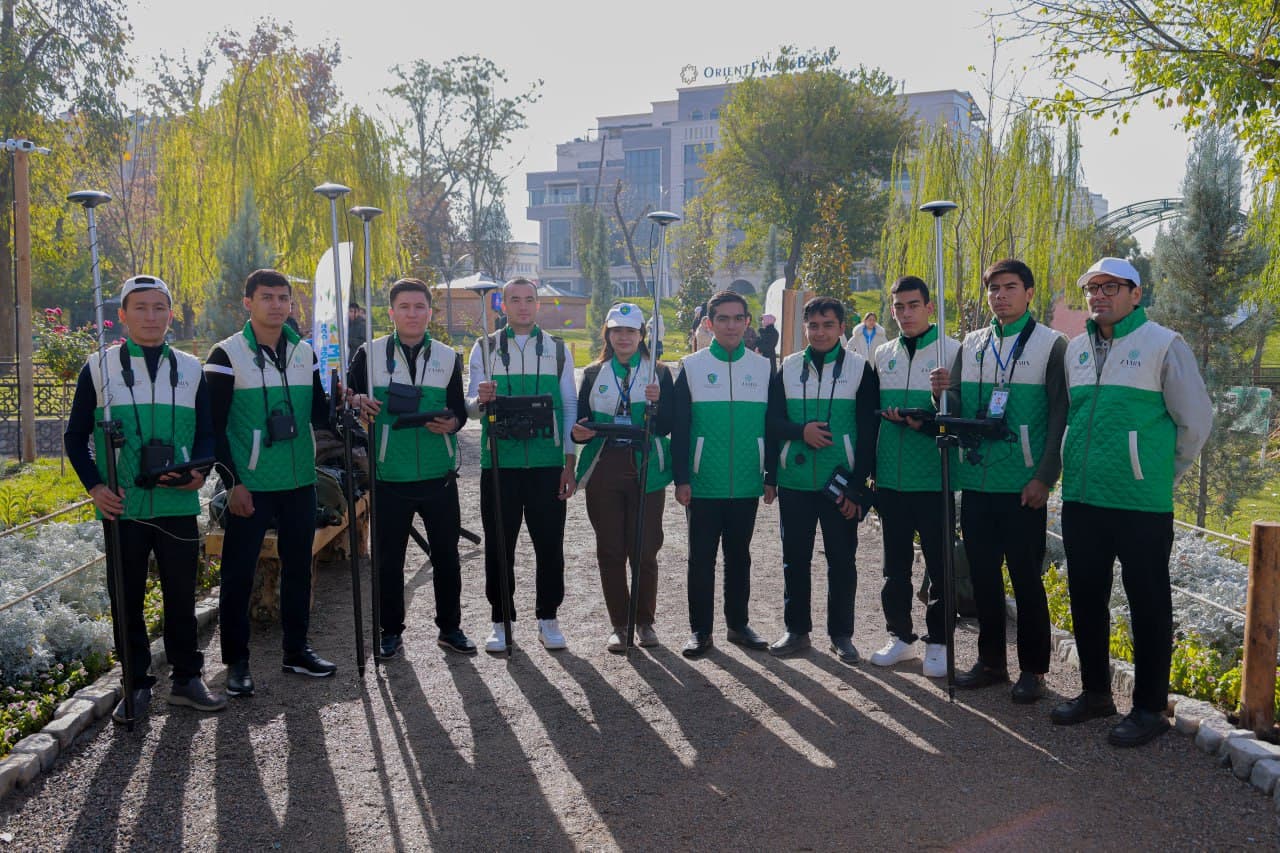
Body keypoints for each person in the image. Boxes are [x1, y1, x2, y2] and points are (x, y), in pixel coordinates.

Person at [1052, 257, 1211, 747]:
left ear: (1136, 293)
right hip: (1082, 499)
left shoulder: (1163, 344)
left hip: (1140, 503)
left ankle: (1148, 709)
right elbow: (1075, 420)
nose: (1098, 295)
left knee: (1148, 605)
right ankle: (1096, 693)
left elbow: (1195, 422)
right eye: (1091, 288)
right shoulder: (1075, 350)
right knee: (1086, 597)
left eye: (1111, 287)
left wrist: (1158, 473)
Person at [64, 275, 226, 722]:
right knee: (127, 598)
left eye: (159, 308)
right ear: (122, 315)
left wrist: (199, 473)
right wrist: (96, 487)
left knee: (180, 597)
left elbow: (208, 434)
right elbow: (76, 437)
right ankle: (134, 684)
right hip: (123, 506)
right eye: (140, 308)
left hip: (177, 504)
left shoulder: (192, 369)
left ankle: (187, 680)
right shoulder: (98, 368)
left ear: (170, 315)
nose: (150, 316)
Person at [929, 259, 1066, 703]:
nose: (1000, 296)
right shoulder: (972, 343)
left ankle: (1034, 670)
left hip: (1022, 484)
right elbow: (958, 405)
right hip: (977, 481)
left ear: (1029, 293)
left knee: (1026, 579)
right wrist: (941, 392)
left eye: (1010, 287)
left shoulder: (1050, 344)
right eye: (993, 289)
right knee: (984, 576)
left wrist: (1044, 475)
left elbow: (1061, 415)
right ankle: (991, 661)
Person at [205, 269, 339, 697]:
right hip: (251, 486)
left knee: (298, 569)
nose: (277, 305)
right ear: (248, 302)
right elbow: (213, 429)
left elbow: (320, 416)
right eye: (267, 297)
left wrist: (347, 402)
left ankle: (296, 651)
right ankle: (237, 663)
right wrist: (233, 484)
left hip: (300, 481)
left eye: (283, 298)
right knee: (238, 575)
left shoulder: (305, 353)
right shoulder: (226, 356)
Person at [347, 278, 473, 658]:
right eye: (405, 307)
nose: (413, 314)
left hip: (438, 474)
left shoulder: (448, 357)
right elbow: (350, 403)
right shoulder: (368, 355)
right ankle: (390, 631)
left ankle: (450, 629)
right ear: (392, 313)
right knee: (389, 561)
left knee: (447, 558)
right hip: (389, 475)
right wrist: (357, 403)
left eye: (420, 307)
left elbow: (459, 410)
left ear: (429, 312)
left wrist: (452, 423)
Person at [467, 277, 578, 653]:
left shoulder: (558, 350)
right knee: (500, 545)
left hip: (547, 464)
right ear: (503, 306)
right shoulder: (484, 348)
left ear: (539, 304)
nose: (523, 306)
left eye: (529, 299)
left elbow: (569, 407)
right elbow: (470, 407)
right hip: (499, 464)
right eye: (514, 300)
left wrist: (569, 461)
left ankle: (548, 617)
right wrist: (480, 399)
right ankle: (501, 618)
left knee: (550, 545)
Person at [766, 297, 879, 663]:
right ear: (804, 328)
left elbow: (869, 432)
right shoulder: (788, 367)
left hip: (840, 484)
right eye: (813, 325)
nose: (820, 332)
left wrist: (857, 487)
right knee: (794, 559)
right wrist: (801, 432)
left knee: (842, 560)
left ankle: (842, 634)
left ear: (842, 328)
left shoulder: (861, 369)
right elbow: (772, 422)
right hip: (795, 480)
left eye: (828, 325)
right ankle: (796, 630)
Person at [671, 290, 773, 658]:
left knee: (739, 557)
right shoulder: (691, 366)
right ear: (709, 324)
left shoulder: (762, 369)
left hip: (746, 481)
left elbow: (772, 425)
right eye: (723, 319)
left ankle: (738, 624)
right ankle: (700, 631)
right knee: (701, 559)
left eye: (738, 318)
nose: (731, 325)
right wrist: (682, 477)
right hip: (702, 483)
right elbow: (680, 428)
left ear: (747, 323)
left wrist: (770, 474)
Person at [867, 276, 960, 678]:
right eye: (899, 307)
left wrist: (940, 400)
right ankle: (900, 637)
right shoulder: (882, 353)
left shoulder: (952, 352)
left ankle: (938, 641)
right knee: (895, 565)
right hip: (891, 476)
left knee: (940, 565)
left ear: (929, 306)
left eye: (913, 305)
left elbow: (959, 418)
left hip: (934, 476)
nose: (906, 313)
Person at [572, 303, 674, 652]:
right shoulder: (591, 374)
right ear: (608, 335)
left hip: (646, 466)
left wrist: (657, 406)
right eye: (617, 331)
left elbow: (669, 425)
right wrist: (578, 433)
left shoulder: (658, 373)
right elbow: (581, 424)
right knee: (610, 549)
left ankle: (644, 621)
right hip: (604, 465)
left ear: (642, 335)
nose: (624, 337)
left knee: (645, 548)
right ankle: (620, 623)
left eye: (631, 331)